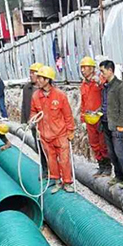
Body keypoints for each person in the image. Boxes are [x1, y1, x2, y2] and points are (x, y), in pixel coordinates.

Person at [30, 65, 76, 194]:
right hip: (45, 135)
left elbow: (68, 114)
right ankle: (57, 181)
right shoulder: (35, 96)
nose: (37, 80)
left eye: (40, 78)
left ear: (47, 80)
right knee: (51, 159)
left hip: (60, 134)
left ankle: (67, 182)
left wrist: (70, 130)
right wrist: (33, 119)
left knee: (64, 159)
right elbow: (33, 111)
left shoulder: (59, 95)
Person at [99, 60, 123, 188]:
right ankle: (118, 176)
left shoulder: (120, 86)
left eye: (102, 71)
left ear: (110, 70)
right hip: (106, 123)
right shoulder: (105, 87)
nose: (101, 74)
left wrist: (121, 125)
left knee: (119, 152)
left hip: (116, 125)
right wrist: (97, 113)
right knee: (112, 153)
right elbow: (105, 105)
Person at [80, 56, 111, 176]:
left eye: (85, 68)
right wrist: (83, 118)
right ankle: (101, 165)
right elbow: (83, 103)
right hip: (89, 119)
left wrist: (99, 81)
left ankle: (107, 166)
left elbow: (107, 86)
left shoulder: (99, 81)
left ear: (92, 68)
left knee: (103, 144)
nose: (83, 70)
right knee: (94, 144)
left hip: (99, 118)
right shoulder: (83, 85)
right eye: (81, 68)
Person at [21, 62, 47, 174]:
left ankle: (54, 171)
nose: (30, 75)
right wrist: (23, 121)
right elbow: (24, 105)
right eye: (30, 73)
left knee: (48, 148)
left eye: (33, 73)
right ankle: (45, 169)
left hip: (46, 124)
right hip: (33, 123)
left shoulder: (47, 89)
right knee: (39, 148)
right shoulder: (27, 88)